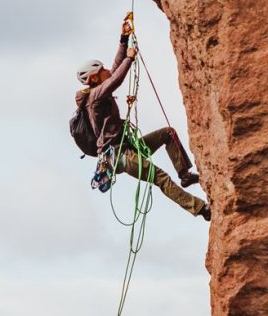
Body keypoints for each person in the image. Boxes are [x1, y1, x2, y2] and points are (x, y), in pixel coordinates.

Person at [75, 17, 211, 221]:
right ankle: (201, 209)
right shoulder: (94, 97)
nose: (107, 71)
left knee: (168, 133)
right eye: (102, 71)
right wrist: (130, 58)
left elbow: (114, 69)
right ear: (93, 78)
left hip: (126, 147)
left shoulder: (98, 90)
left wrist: (124, 39)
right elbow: (116, 79)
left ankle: (184, 175)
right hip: (120, 155)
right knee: (160, 178)